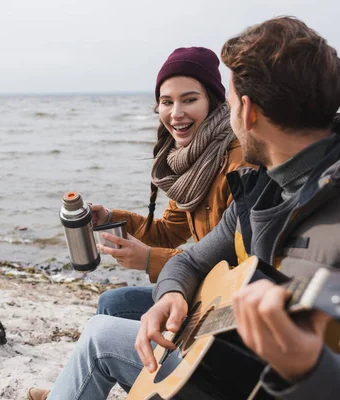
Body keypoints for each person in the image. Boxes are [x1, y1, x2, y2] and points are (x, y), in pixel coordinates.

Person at [28, 16, 340, 400]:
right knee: (108, 322)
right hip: (232, 351)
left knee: (100, 335)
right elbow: (189, 259)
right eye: (166, 100)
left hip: (263, 382)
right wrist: (172, 293)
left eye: (222, 100)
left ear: (247, 112)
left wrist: (306, 368)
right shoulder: (260, 189)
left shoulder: (246, 171)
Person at [91, 47, 251, 322]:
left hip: (234, 297)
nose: (176, 113)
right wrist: (109, 218)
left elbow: (242, 261)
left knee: (115, 305)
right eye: (166, 102)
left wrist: (150, 259)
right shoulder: (193, 162)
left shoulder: (239, 161)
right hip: (205, 285)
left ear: (213, 102)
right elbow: (168, 233)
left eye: (189, 100)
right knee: (111, 302)